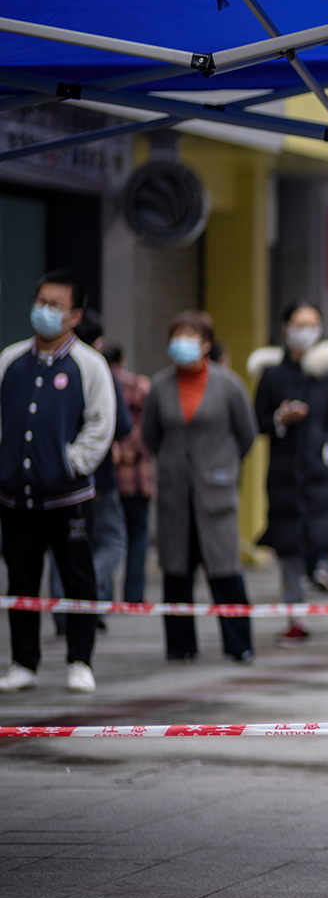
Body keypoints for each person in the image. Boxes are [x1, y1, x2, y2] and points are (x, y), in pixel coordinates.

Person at [0, 270, 116, 694]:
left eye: (55, 305)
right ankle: (23, 662)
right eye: (41, 301)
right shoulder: (10, 359)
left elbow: (101, 424)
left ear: (74, 315)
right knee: (20, 580)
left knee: (77, 579)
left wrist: (71, 463)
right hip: (15, 496)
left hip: (68, 496)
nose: (44, 311)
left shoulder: (89, 364)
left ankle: (80, 660)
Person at [144, 311, 258, 663]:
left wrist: (223, 466)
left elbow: (247, 433)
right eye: (177, 335)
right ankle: (180, 646)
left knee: (225, 571)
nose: (182, 342)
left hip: (216, 492)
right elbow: (151, 436)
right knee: (176, 572)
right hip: (175, 493)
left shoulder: (228, 384)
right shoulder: (160, 386)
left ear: (207, 343)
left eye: (191, 336)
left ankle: (239, 644)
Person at [250, 301, 328, 647]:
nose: (306, 330)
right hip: (284, 476)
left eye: (313, 323)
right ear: (285, 328)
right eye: (299, 324)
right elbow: (257, 421)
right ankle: (295, 619)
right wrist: (279, 419)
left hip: (324, 476)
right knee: (286, 548)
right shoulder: (272, 374)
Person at [47, 309, 131, 636]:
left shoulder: (45, 368)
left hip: (52, 476)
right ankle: (84, 591)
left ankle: (63, 614)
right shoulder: (97, 369)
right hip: (96, 477)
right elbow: (121, 425)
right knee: (112, 539)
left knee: (61, 545)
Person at [108, 342, 155, 604]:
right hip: (137, 477)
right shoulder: (140, 386)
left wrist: (116, 451)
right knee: (137, 537)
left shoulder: (97, 382)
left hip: (107, 477)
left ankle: (102, 598)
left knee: (106, 539)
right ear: (123, 359)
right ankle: (133, 596)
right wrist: (130, 451)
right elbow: (147, 427)